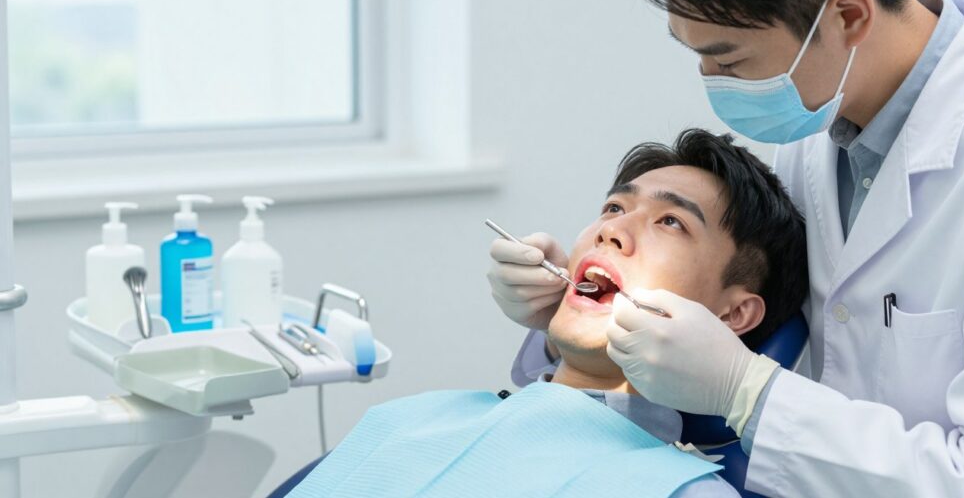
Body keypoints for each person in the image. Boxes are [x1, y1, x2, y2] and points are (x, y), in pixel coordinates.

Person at [489, 0, 964, 496]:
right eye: (698, 58)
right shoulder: (818, 121)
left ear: (848, 17)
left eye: (732, 62)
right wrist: (563, 320)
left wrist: (747, 391)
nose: (714, 83)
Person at [291, 130, 807, 498]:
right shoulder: (416, 418)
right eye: (613, 208)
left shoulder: (680, 490)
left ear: (732, 314)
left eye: (670, 221)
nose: (611, 230)